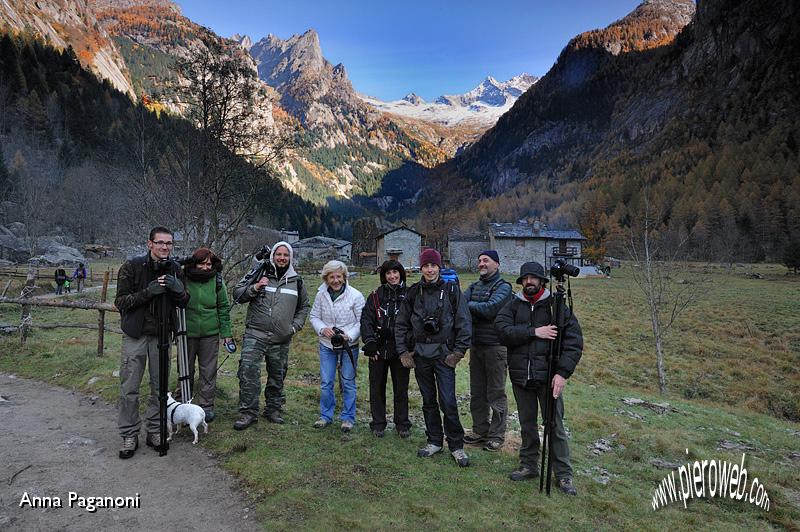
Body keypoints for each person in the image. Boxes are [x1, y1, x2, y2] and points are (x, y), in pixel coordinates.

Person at [494, 262, 583, 495]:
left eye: (534, 278)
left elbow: (573, 343)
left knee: (555, 426)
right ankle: (528, 465)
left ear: (542, 281)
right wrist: (534, 332)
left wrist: (562, 373)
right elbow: (502, 331)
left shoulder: (557, 306)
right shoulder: (513, 305)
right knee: (527, 424)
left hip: (549, 376)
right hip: (521, 375)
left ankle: (563, 475)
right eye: (525, 278)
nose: (529, 282)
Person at [115, 227, 190, 459]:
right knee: (129, 388)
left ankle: (155, 430)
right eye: (160, 243)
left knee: (159, 390)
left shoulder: (176, 269)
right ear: (150, 244)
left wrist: (178, 290)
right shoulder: (132, 267)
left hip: (162, 336)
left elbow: (185, 300)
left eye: (169, 243)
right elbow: (120, 301)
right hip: (135, 336)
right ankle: (129, 434)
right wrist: (148, 292)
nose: (165, 247)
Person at [395, 248, 472, 467]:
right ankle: (434, 440)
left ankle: (456, 445)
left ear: (439, 267)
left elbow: (464, 322)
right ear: (421, 268)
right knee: (428, 401)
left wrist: (458, 352)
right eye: (426, 266)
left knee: (448, 401)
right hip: (420, 355)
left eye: (433, 265)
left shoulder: (451, 290)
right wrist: (403, 352)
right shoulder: (413, 292)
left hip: (444, 356)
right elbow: (401, 324)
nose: (430, 269)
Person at [232, 241, 310, 430]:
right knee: (248, 373)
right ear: (273, 256)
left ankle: (273, 410)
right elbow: (237, 294)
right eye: (278, 254)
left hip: (281, 338)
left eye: (285, 255)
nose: (282, 258)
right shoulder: (259, 273)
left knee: (277, 375)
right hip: (255, 335)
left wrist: (294, 327)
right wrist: (256, 287)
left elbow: (304, 306)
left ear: (290, 258)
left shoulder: (296, 281)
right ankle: (248, 413)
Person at [462, 250, 512, 451]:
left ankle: (497, 436)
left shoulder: (504, 287)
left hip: (496, 347)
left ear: (497, 264)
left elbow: (491, 309)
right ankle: (479, 430)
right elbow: (460, 304)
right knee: (477, 392)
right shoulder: (474, 286)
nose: (481, 264)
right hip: (476, 345)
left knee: (496, 392)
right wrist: (475, 306)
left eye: (486, 261)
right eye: (480, 260)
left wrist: (470, 305)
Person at [309, 260, 365, 432]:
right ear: (326, 278)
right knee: (326, 382)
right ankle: (326, 415)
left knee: (348, 382)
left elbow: (361, 322)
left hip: (349, 346)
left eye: (338, 276)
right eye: (331, 277)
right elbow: (314, 316)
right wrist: (322, 329)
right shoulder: (320, 295)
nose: (335, 280)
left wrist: (349, 335)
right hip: (327, 345)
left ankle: (348, 417)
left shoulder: (355, 295)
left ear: (344, 277)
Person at [360, 260, 411, 438]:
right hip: (378, 350)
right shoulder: (375, 296)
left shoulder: (410, 294)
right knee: (376, 388)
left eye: (395, 272)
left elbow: (414, 322)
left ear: (401, 273)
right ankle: (378, 423)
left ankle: (402, 424)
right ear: (384, 276)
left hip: (401, 350)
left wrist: (404, 340)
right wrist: (370, 342)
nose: (392, 276)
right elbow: (366, 320)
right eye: (388, 273)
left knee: (401, 389)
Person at [182, 247, 233, 423]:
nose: (205, 267)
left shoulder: (217, 280)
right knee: (185, 369)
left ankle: (206, 406)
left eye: (209, 264)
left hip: (210, 334)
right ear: (194, 263)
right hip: (186, 333)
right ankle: (184, 404)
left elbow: (223, 307)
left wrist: (226, 334)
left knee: (208, 371)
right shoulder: (183, 278)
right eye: (202, 263)